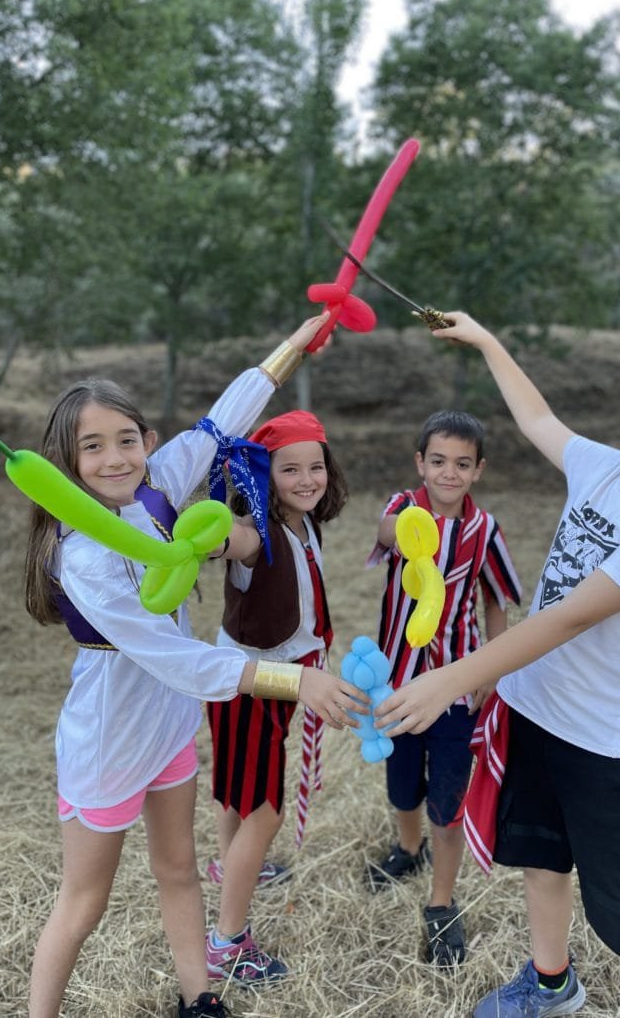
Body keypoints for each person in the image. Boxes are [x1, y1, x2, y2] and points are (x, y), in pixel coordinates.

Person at [375, 313, 620, 1018]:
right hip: (537, 715)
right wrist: (485, 340)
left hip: (608, 747)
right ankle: (552, 986)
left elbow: (566, 618)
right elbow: (537, 417)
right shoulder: (600, 467)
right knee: (541, 859)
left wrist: (452, 676)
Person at [22, 314, 370, 1018]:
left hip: (169, 731)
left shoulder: (156, 487)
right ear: (65, 461)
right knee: (84, 904)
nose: (115, 458)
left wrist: (293, 346)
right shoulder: (83, 555)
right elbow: (171, 657)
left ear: (148, 442)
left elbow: (219, 424)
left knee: (179, 870)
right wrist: (294, 680)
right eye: (93, 447)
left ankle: (198, 999)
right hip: (109, 740)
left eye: (127, 440)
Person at [364, 410, 521, 967]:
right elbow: (385, 532)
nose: (448, 473)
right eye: (438, 461)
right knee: (403, 786)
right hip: (399, 683)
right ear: (420, 463)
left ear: (478, 470)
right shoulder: (403, 509)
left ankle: (441, 902)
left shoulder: (485, 530)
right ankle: (409, 847)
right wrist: (411, 529)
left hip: (457, 688)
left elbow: (497, 599)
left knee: (448, 799)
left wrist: (492, 670)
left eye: (461, 464)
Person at [203, 409, 349, 986]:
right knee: (264, 811)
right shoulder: (255, 531)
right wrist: (210, 535)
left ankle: (229, 865)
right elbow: (230, 539)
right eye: (290, 469)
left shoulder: (304, 524)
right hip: (250, 686)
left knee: (237, 793)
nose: (307, 479)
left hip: (284, 681)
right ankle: (227, 943)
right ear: (264, 477)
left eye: (316, 466)